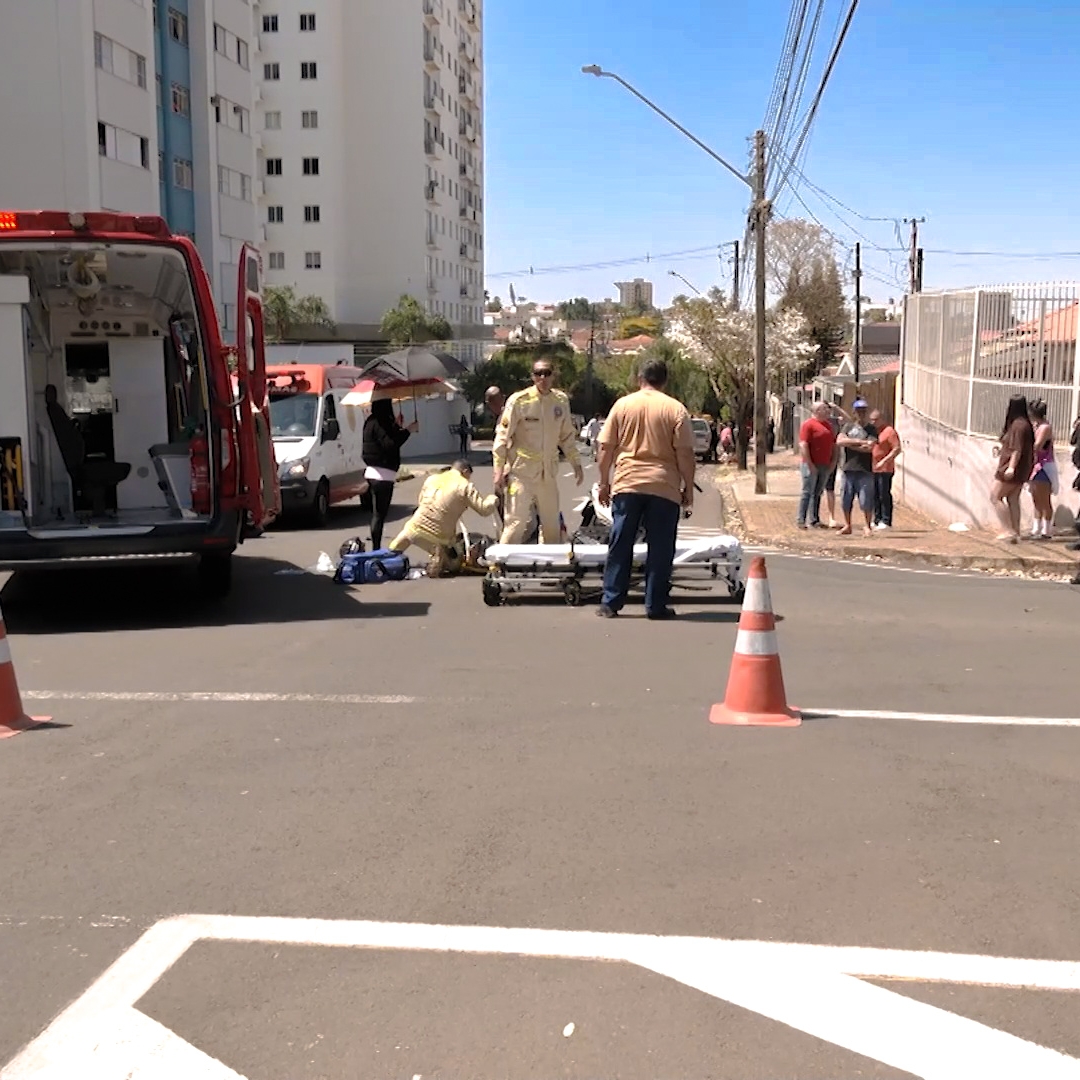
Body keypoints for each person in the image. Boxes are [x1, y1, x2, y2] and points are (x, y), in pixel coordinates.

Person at [594, 357, 696, 620]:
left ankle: (611, 602)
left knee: (620, 543)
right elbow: (685, 453)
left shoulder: (623, 405)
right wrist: (688, 489)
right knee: (661, 548)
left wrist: (604, 481)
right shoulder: (675, 409)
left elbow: (605, 447)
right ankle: (655, 604)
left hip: (628, 482)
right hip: (664, 485)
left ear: (639, 379)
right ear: (664, 381)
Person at [492, 356, 583, 543]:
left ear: (553, 376)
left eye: (547, 373)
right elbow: (502, 436)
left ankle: (549, 564)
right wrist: (498, 471)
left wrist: (576, 463)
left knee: (551, 525)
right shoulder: (519, 401)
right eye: (538, 373)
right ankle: (501, 565)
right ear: (532, 377)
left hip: (547, 474)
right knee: (515, 523)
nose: (542, 377)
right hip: (521, 473)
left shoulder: (560, 401)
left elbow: (566, 436)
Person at [389, 459, 498, 574]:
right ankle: (439, 557)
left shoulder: (432, 478)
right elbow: (484, 510)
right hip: (437, 536)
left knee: (391, 552)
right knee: (454, 566)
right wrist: (493, 499)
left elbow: (421, 501)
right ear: (465, 471)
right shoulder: (465, 485)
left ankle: (380, 564)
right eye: (468, 476)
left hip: (413, 527)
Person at [362, 397, 417, 550]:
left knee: (376, 514)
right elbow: (390, 444)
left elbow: (382, 440)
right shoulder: (382, 422)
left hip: (371, 473)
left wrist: (396, 427)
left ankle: (376, 547)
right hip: (383, 474)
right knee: (379, 515)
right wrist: (407, 431)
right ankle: (376, 549)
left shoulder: (370, 421)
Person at [991, 394, 1035, 543]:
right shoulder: (1024, 424)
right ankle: (1015, 531)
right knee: (1013, 499)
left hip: (1011, 468)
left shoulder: (1018, 425)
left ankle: (1008, 530)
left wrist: (1011, 467)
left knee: (995, 496)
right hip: (1021, 469)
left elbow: (1017, 449)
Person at [836, 398, 878, 537]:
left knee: (866, 499)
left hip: (865, 469)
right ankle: (848, 525)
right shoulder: (848, 427)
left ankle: (867, 526)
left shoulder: (871, 429)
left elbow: (870, 448)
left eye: (863, 411)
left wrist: (851, 444)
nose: (861, 414)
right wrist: (859, 441)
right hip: (848, 468)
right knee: (846, 499)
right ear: (854, 412)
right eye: (858, 411)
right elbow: (840, 441)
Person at [796, 402, 835, 529]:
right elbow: (803, 445)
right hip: (810, 464)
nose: (827, 411)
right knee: (807, 491)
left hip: (824, 464)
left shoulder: (828, 426)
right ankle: (801, 519)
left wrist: (833, 461)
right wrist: (809, 463)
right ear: (817, 411)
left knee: (818, 492)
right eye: (824, 409)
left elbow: (833, 445)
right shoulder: (808, 425)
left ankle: (814, 519)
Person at [1026, 399, 1056, 540]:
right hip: (1034, 465)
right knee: (1036, 498)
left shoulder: (1045, 427)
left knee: (1044, 500)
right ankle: (1036, 528)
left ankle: (1047, 530)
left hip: (1044, 466)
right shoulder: (1036, 425)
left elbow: (1036, 446)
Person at [870, 409, 902, 529]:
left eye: (876, 419)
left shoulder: (889, 432)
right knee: (875, 494)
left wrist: (884, 461)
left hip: (885, 469)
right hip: (873, 467)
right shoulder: (873, 431)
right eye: (872, 419)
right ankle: (877, 518)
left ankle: (886, 520)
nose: (873, 422)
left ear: (882, 419)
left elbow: (897, 449)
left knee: (884, 493)